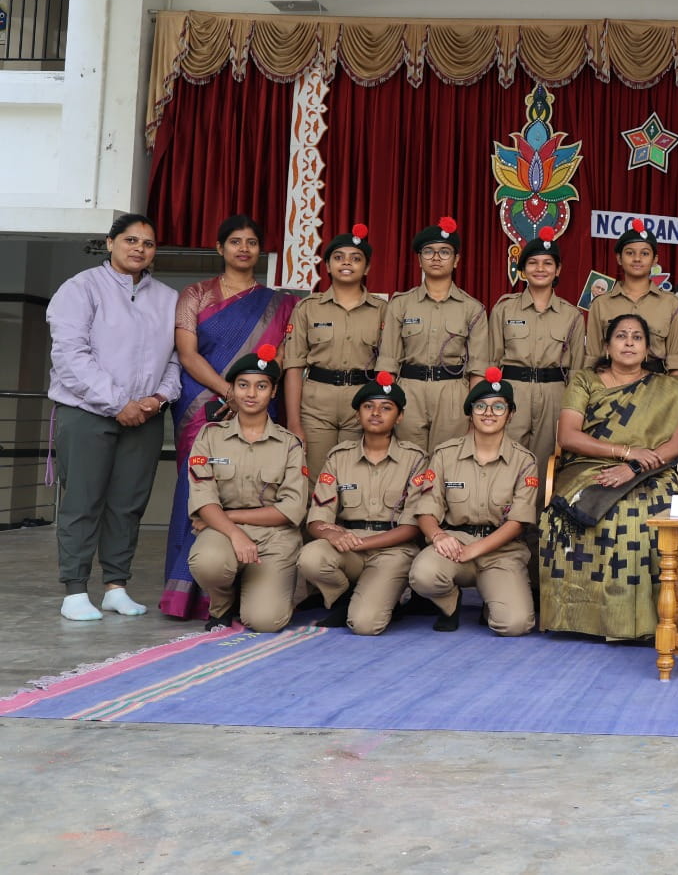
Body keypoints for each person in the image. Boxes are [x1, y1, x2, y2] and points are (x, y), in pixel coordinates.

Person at [162, 213, 298, 620]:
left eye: (251, 242)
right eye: (235, 241)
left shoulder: (281, 303)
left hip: (259, 402)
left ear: (261, 250)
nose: (243, 248)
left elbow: (289, 364)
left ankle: (253, 583)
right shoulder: (196, 294)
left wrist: (255, 402)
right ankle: (190, 593)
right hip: (200, 406)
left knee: (256, 485)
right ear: (220, 248)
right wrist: (228, 392)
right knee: (198, 490)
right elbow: (187, 354)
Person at [47, 213, 181, 621]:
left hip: (145, 416)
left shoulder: (167, 298)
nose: (139, 248)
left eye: (148, 242)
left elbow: (176, 358)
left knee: (128, 505)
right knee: (83, 502)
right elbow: (70, 355)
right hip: (88, 413)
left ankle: (115, 586)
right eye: (131, 240)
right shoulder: (81, 289)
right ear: (110, 243)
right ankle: (74, 590)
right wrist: (117, 403)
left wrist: (160, 397)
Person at [539, 314, 678, 640]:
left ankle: (650, 621)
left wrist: (636, 467)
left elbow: (676, 445)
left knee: (645, 511)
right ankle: (583, 616)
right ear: (607, 346)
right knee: (577, 515)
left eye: (637, 337)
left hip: (650, 470)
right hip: (588, 465)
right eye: (621, 336)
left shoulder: (665, 390)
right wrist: (625, 452)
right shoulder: (585, 381)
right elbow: (567, 436)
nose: (629, 342)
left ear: (647, 349)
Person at [185, 344, 309, 632]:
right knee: (209, 563)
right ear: (233, 389)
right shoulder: (210, 436)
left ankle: (257, 589)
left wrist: (233, 520)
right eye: (243, 385)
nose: (251, 394)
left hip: (273, 538)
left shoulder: (290, 444)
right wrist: (234, 534)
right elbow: (203, 499)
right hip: (221, 534)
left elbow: (291, 508)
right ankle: (222, 602)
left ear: (273, 392)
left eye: (261, 386)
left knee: (265, 622)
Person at [407, 367, 539, 636]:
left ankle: (493, 602)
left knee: (514, 624)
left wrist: (475, 550)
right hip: (456, 545)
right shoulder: (445, 454)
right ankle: (449, 602)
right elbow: (426, 508)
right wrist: (439, 536)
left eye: (498, 407)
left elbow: (517, 522)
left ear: (511, 414)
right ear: (470, 413)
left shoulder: (525, 461)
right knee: (423, 574)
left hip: (501, 551)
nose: (489, 413)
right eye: (481, 406)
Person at [298, 372, 429, 634]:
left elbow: (412, 528)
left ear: (399, 416)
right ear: (358, 414)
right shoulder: (339, 457)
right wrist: (331, 535)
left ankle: (376, 599)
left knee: (365, 625)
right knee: (311, 557)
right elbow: (316, 518)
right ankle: (344, 597)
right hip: (350, 547)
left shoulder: (415, 459)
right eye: (368, 406)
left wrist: (360, 542)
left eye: (386, 408)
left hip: (393, 552)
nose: (376, 413)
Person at [280, 223, 386, 482]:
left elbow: (390, 365)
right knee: (314, 479)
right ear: (327, 266)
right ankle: (313, 524)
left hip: (362, 403)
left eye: (356, 258)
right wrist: (294, 422)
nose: (346, 263)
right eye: (338, 257)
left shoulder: (383, 310)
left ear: (367, 267)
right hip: (317, 405)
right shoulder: (308, 308)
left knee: (356, 477)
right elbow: (293, 367)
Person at [375, 216, 489, 454]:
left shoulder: (472, 308)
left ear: (456, 260)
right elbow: (388, 363)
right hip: (409, 392)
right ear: (419, 259)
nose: (436, 258)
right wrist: (386, 405)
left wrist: (473, 414)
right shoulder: (401, 304)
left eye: (445, 252)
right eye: (429, 251)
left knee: (446, 463)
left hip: (452, 394)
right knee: (406, 462)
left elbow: (478, 369)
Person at [489, 226, 586, 466]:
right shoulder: (504, 309)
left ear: (558, 269)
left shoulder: (571, 315)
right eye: (532, 263)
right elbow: (491, 360)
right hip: (513, 390)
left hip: (554, 393)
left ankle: (542, 504)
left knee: (548, 459)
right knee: (506, 455)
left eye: (547, 263)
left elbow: (577, 370)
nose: (540, 269)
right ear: (522, 270)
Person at [584, 218, 678, 374]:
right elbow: (593, 358)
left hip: (656, 387)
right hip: (611, 386)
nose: (637, 259)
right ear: (619, 258)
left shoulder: (671, 304)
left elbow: (675, 362)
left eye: (644, 253)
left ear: (654, 260)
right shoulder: (601, 304)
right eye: (630, 253)